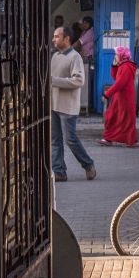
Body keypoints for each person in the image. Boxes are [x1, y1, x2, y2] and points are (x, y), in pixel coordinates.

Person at [50, 26, 96, 182]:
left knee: (70, 139)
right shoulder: (55, 56)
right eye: (54, 36)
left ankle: (88, 164)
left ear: (66, 38)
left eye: (57, 36)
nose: (53, 39)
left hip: (68, 107)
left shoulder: (75, 57)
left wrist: (54, 82)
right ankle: (59, 172)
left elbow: (78, 80)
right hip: (53, 104)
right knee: (55, 140)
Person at [99, 46, 139, 147]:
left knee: (123, 119)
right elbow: (115, 77)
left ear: (121, 55)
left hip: (125, 97)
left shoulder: (126, 66)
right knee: (113, 116)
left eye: (116, 54)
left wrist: (107, 94)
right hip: (120, 97)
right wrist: (114, 65)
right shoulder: (123, 65)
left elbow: (119, 83)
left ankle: (129, 140)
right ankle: (110, 138)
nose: (115, 56)